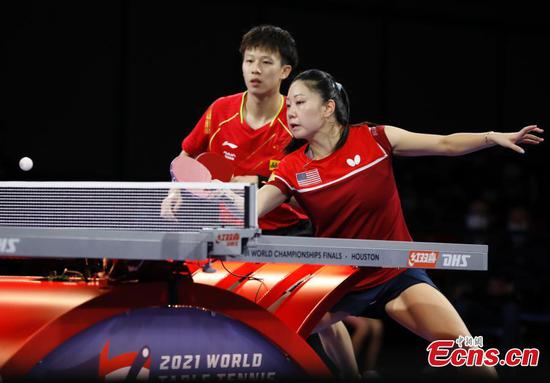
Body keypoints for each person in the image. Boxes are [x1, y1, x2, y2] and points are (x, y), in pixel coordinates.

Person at [254, 68, 543, 379]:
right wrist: (211, 206)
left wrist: (491, 138)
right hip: (340, 282)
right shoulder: (292, 166)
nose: (290, 112)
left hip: (396, 276)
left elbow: (444, 144)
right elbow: (255, 205)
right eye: (288, 106)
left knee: (477, 364)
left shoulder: (375, 139)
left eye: (299, 103)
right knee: (266, 331)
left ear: (328, 108)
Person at [161, 24, 310, 236]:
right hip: (232, 230)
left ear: (284, 71)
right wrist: (174, 192)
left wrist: (253, 183)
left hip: (289, 231)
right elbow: (186, 157)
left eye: (266, 62)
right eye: (249, 61)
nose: (255, 69)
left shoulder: (297, 120)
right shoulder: (220, 110)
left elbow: (310, 194)